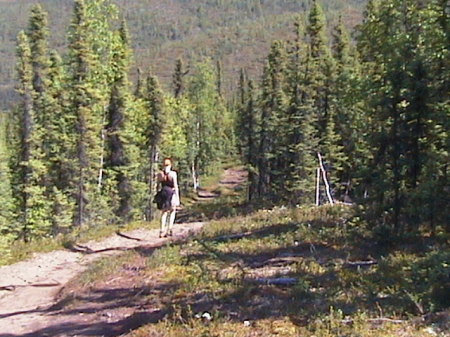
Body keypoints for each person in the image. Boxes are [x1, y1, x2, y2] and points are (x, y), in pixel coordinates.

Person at [156, 157, 180, 237]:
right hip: (171, 193)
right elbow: (175, 185)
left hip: (163, 193)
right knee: (172, 211)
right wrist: (177, 197)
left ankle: (162, 230)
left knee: (164, 212)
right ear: (170, 165)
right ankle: (170, 229)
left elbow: (158, 185)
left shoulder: (160, 174)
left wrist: (158, 195)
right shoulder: (173, 174)